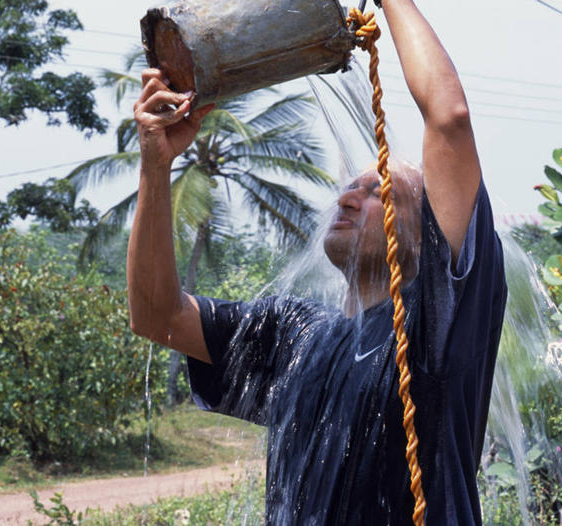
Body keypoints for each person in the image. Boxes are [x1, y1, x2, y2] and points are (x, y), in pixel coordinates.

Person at [127, 0, 507, 524]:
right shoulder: (292, 334)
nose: (349, 199)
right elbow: (156, 316)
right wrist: (155, 161)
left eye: (380, 193)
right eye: (350, 188)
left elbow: (449, 117)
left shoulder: (439, 324)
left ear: (429, 240)